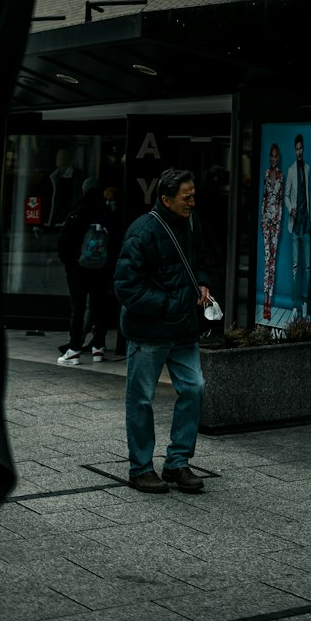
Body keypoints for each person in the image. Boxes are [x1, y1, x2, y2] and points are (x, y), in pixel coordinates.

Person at [113, 167, 217, 494]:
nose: (193, 202)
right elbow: (126, 288)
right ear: (166, 199)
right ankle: (141, 468)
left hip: (183, 328)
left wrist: (202, 284)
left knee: (195, 387)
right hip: (149, 332)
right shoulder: (142, 232)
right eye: (186, 197)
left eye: (194, 195)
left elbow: (200, 259)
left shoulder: (190, 223)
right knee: (141, 399)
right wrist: (171, 303)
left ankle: (177, 463)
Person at [56, 177, 118, 365]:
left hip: (79, 269)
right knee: (100, 306)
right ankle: (98, 347)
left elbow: (64, 242)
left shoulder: (78, 211)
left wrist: (70, 264)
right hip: (102, 269)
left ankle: (74, 349)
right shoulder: (107, 212)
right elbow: (116, 241)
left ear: (84, 192)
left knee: (78, 308)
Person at [284, 133, 311, 319]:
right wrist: (290, 208)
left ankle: (305, 302)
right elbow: (286, 195)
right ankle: (294, 306)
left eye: (301, 148)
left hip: (306, 224)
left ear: (304, 149)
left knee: (308, 267)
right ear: (294, 150)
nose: (299, 151)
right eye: (297, 148)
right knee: (295, 267)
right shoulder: (291, 170)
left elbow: (310, 194)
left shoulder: (308, 169)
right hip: (295, 226)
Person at [260, 141, 283, 321]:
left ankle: (269, 302)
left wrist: (279, 220)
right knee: (266, 260)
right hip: (266, 221)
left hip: (276, 221)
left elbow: (280, 200)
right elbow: (264, 197)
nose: (273, 159)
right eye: (271, 155)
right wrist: (263, 218)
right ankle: (265, 299)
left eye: (276, 156)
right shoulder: (266, 174)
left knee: (272, 263)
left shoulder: (281, 176)